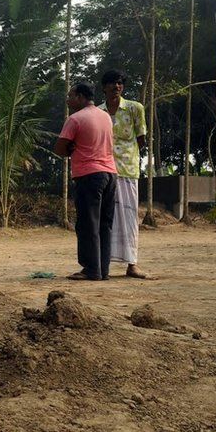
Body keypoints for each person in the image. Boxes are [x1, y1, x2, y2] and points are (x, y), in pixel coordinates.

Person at [54, 83, 118, 281]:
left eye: (70, 96)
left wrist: (72, 147)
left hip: (88, 175)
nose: (67, 100)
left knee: (87, 224)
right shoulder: (105, 116)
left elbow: (59, 149)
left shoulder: (75, 119)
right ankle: (102, 269)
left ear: (80, 97)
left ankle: (91, 269)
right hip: (110, 174)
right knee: (104, 225)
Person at [101, 69, 149, 278]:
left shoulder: (134, 108)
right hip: (104, 170)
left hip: (128, 170)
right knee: (106, 217)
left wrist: (129, 156)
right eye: (112, 83)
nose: (116, 86)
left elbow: (141, 138)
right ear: (104, 87)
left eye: (120, 83)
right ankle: (104, 264)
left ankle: (132, 264)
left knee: (129, 217)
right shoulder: (99, 112)